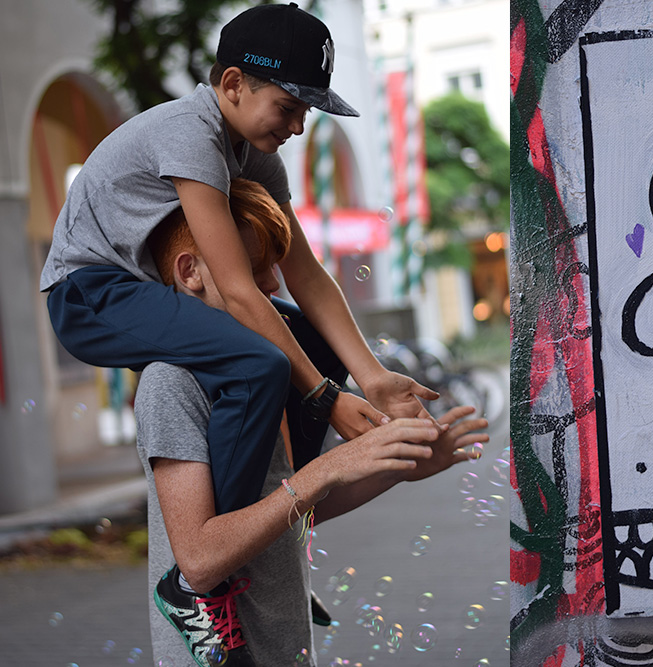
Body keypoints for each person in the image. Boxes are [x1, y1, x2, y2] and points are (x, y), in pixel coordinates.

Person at [41, 2, 434, 524]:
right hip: (89, 295)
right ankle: (216, 553)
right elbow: (237, 288)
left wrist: (373, 376)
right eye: (289, 106)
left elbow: (308, 277)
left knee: (311, 341)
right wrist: (325, 398)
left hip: (139, 294)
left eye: (306, 113)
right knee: (259, 363)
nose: (297, 126)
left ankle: (280, 507)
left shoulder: (255, 153)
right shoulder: (190, 132)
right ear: (232, 84)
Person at [139, 178, 489, 665]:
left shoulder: (259, 375)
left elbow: (290, 513)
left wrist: (399, 467)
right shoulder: (171, 381)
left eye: (271, 270)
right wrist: (326, 468)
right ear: (190, 271)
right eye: (252, 268)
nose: (270, 287)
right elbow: (197, 561)